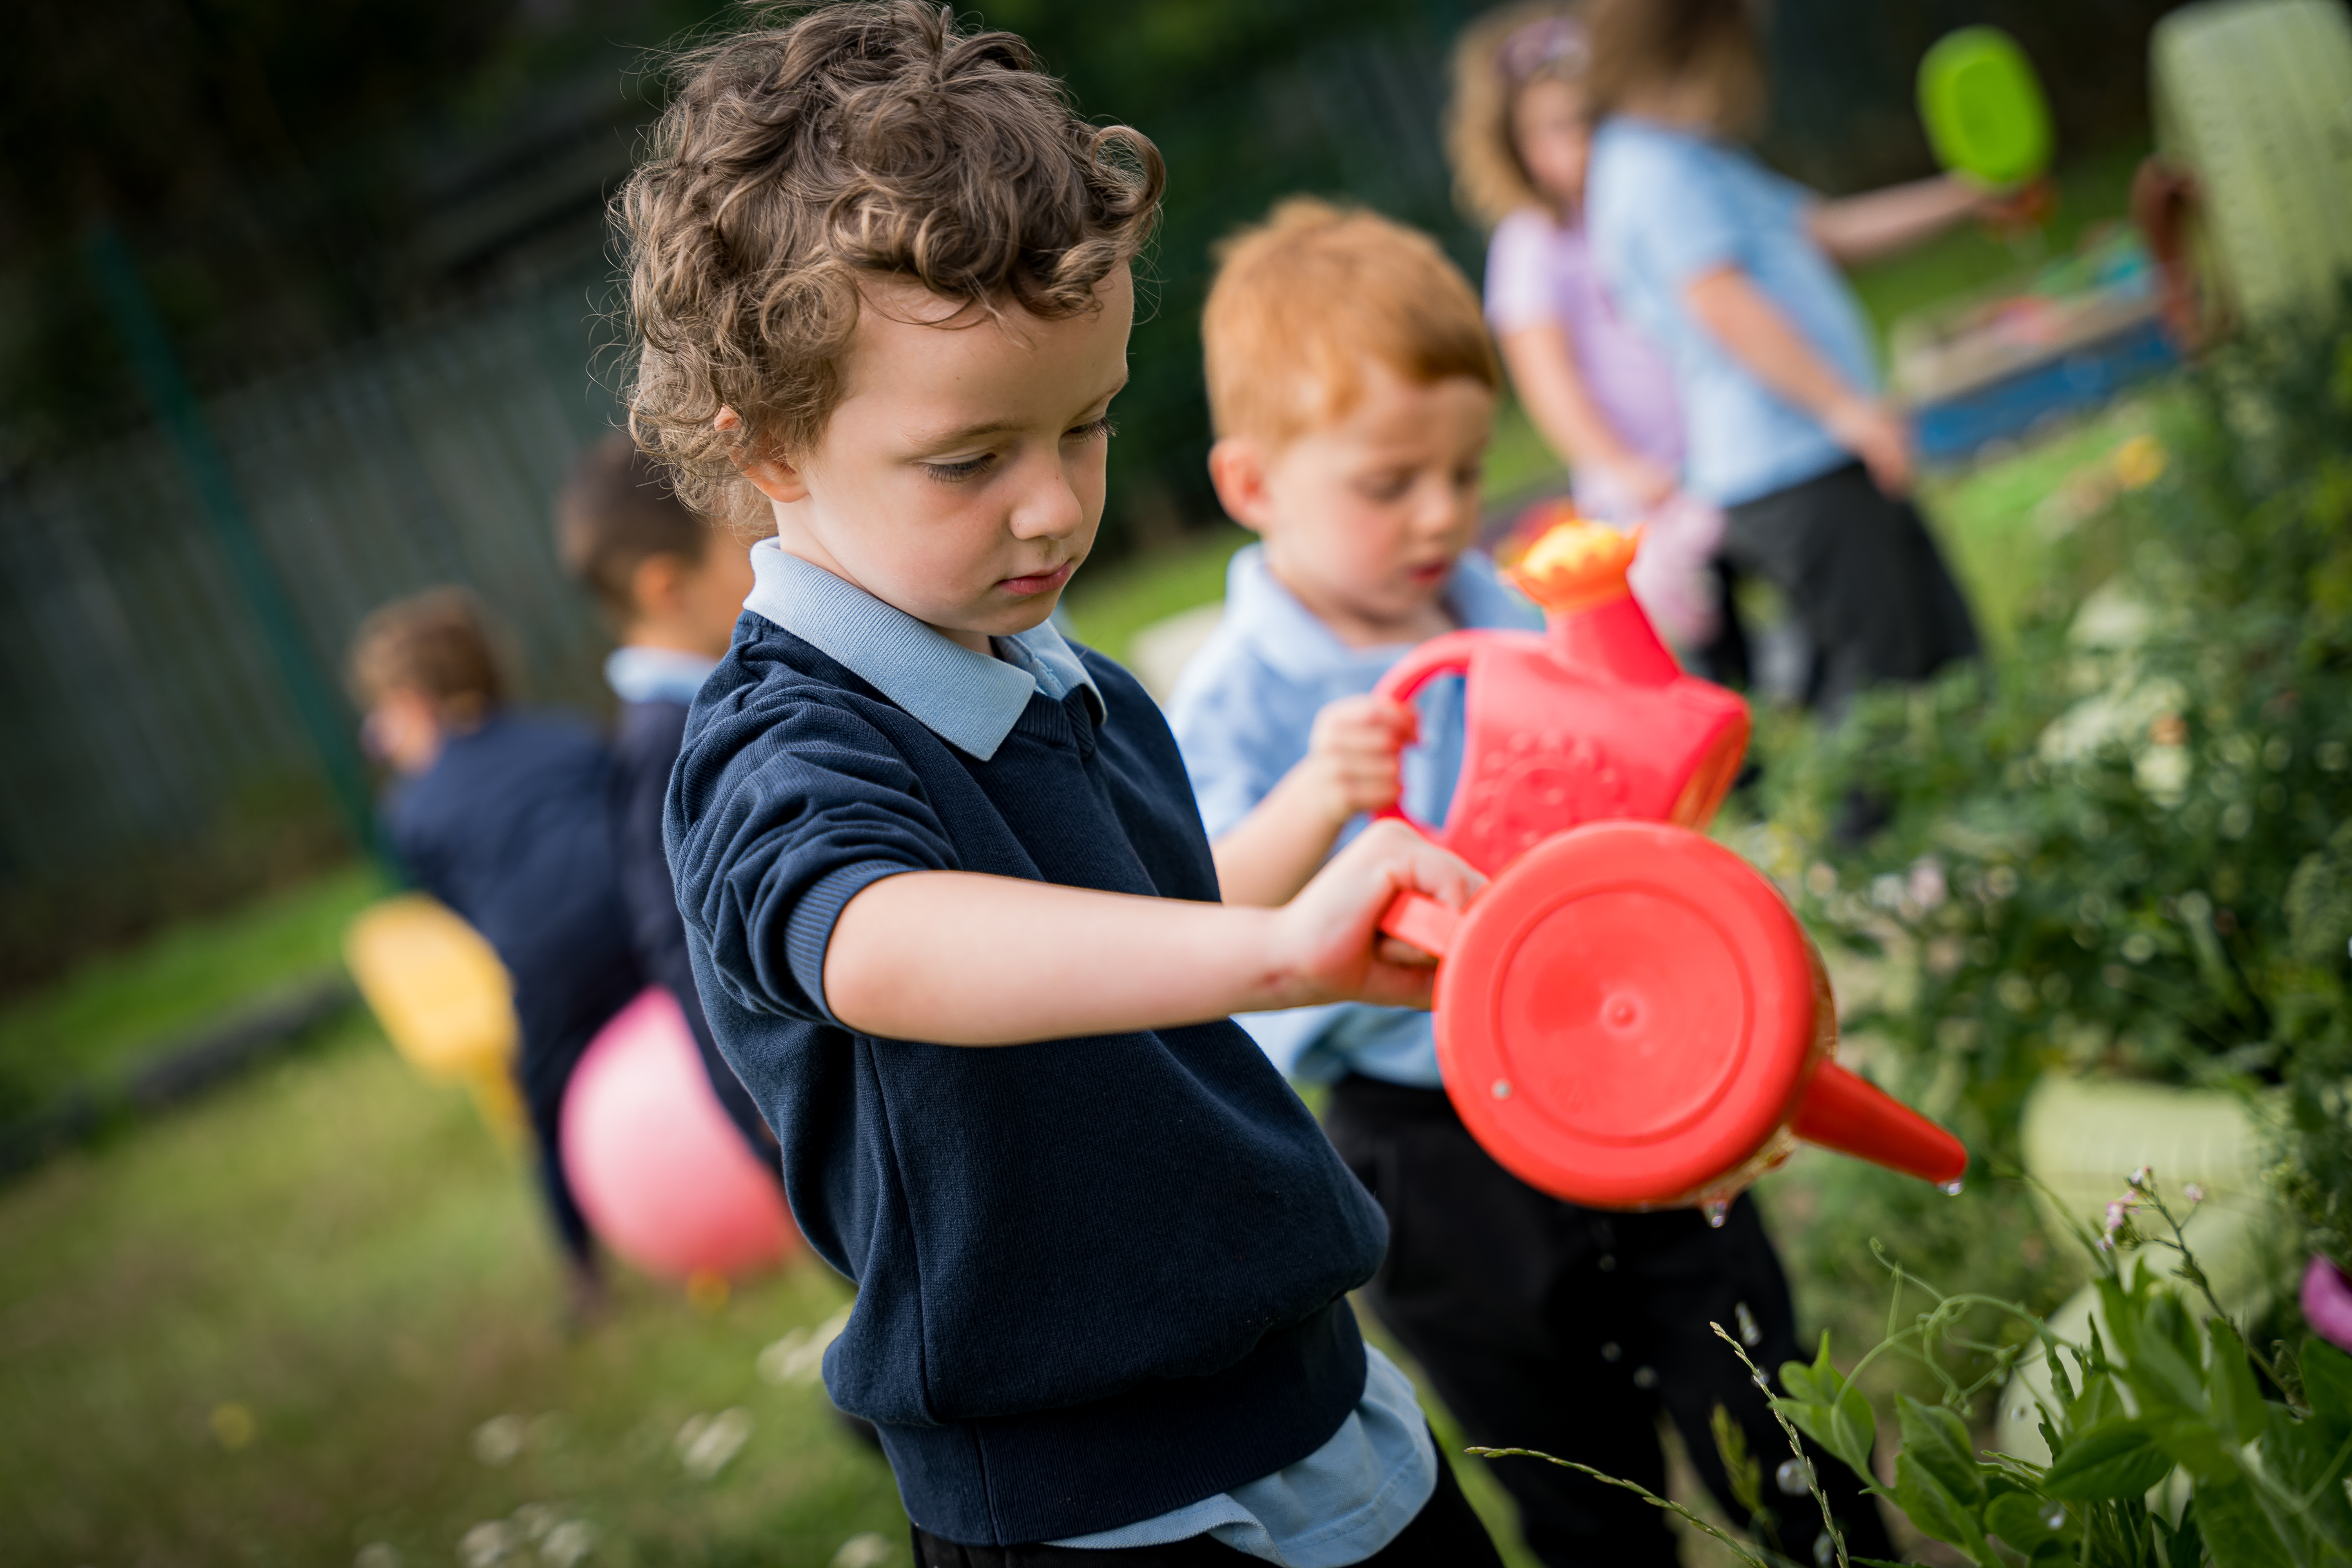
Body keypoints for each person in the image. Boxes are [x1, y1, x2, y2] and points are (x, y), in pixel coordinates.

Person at [617, 6, 1503, 1564]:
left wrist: (1317, 891)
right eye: (970, 460)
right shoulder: (777, 749)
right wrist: (1278, 955)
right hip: (1094, 1503)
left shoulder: (1052, 670)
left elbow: (1143, 933)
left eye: (1085, 425)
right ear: (768, 451)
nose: (1053, 506)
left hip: (1317, 1401)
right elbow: (886, 941)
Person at [1165, 200, 1893, 1568]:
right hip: (1426, 1143)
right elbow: (1195, 910)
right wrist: (1316, 795)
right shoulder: (1240, 693)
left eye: (1462, 469)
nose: (1443, 513)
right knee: (1580, 1484)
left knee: (1770, 1414)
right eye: (1390, 484)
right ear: (1254, 485)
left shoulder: (1504, 613)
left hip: (1628, 1068)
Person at [1582, 0, 1987, 719]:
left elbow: (1821, 229)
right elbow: (1722, 303)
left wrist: (1967, 199)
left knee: (1940, 655)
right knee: (1879, 698)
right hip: (1792, 467)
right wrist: (1847, 410)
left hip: (1814, 453)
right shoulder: (1652, 170)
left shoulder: (1688, 154)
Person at [349, 587, 642, 1312]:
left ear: (410, 706)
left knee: (544, 1108)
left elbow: (461, 910)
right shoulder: (569, 736)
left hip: (549, 969)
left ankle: (583, 1275)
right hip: (643, 929)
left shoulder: (412, 809)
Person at [1445, 1, 1720, 654]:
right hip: (1640, 490)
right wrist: (1627, 468)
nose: (1583, 143)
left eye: (1592, 119)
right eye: (1557, 129)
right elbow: (1549, 384)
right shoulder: (1532, 244)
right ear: (1516, 149)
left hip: (1713, 452)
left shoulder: (1645, 208)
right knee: (1688, 630)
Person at [555, 433, 777, 1176]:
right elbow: (676, 936)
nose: (782, 554)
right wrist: (758, 1092)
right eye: (756, 542)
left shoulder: (733, 696)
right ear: (669, 590)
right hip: (793, 1095)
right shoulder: (665, 745)